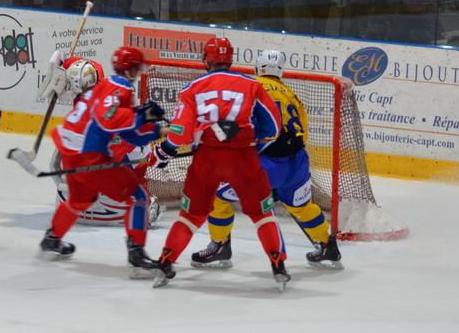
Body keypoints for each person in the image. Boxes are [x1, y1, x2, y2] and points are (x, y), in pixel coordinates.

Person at [150, 37, 288, 290]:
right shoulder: (252, 85)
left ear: (206, 60)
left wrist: (165, 152)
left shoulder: (192, 88)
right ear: (231, 59)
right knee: (261, 214)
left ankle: (165, 263)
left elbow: (180, 134)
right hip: (243, 159)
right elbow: (274, 127)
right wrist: (247, 134)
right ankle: (278, 266)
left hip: (207, 159)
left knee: (190, 216)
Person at [190, 50, 343, 269]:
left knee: (217, 195)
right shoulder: (292, 95)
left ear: (257, 68)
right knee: (302, 207)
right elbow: (303, 135)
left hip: (268, 165)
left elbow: (248, 129)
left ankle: (220, 245)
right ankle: (328, 245)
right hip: (297, 162)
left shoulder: (252, 88)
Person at [40, 47, 164, 276]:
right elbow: (110, 120)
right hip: (88, 154)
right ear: (132, 69)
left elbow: (125, 131)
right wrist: (143, 117)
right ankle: (137, 255)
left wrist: (154, 131)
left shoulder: (103, 86)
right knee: (138, 197)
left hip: (70, 151)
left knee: (80, 199)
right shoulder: (120, 88)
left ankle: (52, 239)